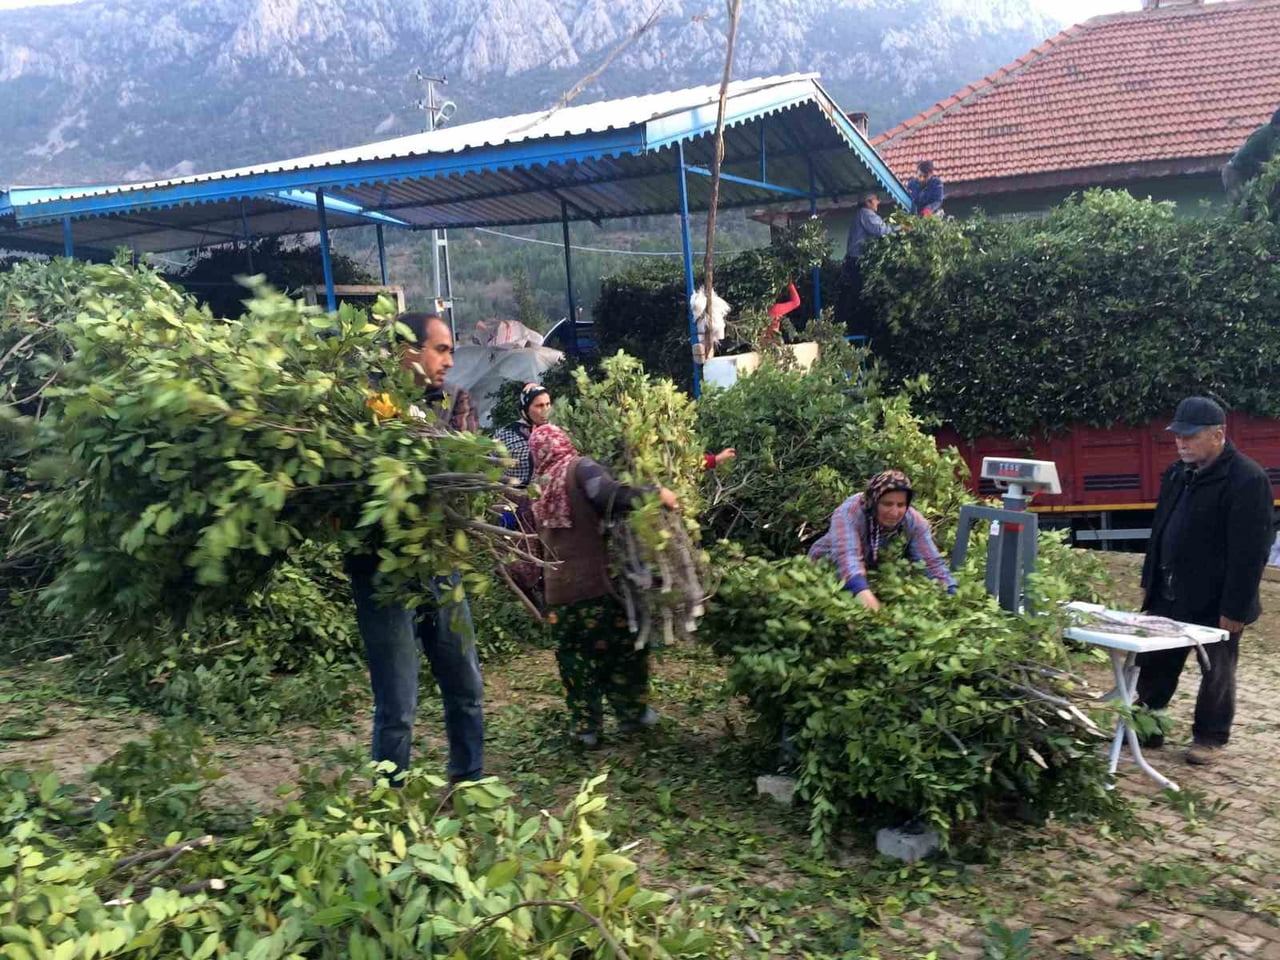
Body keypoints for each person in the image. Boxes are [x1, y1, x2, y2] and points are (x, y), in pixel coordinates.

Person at [349, 311, 485, 784]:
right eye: (441, 348)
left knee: (466, 685)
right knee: (398, 702)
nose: (449, 359)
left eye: (450, 350)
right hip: (381, 571)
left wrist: (414, 434)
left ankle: (469, 783)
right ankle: (389, 804)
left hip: (441, 563)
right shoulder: (361, 405)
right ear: (409, 350)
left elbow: (462, 469)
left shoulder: (456, 401)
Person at [1137, 396, 1273, 766]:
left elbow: (1250, 552)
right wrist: (1149, 581)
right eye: (1178, 436)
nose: (1181, 442)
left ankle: (1209, 738)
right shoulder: (1176, 474)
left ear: (1218, 435)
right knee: (1155, 664)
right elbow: (1159, 531)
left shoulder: (1246, 479)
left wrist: (1236, 608)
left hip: (1217, 600)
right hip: (1169, 590)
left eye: (1190, 436)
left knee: (1216, 672)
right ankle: (1147, 726)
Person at [529, 423, 679, 748]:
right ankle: (631, 715)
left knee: (574, 661)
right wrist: (657, 495)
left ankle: (585, 729)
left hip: (559, 595)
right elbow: (610, 496)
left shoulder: (538, 486)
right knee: (623, 650)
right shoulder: (579, 468)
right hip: (595, 589)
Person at [808, 469, 956, 611]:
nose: (894, 512)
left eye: (901, 505)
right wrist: (864, 595)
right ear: (874, 501)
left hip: (871, 576)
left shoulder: (913, 520)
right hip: (825, 572)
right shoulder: (849, 512)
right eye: (887, 504)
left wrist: (952, 595)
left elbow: (931, 563)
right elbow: (846, 558)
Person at [839, 192, 899, 335]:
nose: (878, 202)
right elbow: (881, 231)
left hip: (852, 260)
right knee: (860, 298)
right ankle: (857, 331)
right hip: (858, 261)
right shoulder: (866, 214)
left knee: (853, 297)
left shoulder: (859, 214)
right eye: (876, 200)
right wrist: (900, 228)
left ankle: (851, 328)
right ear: (868, 202)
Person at [494, 382, 553, 489]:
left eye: (548, 404)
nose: (545, 410)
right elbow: (491, 465)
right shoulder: (506, 435)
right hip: (516, 499)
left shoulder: (557, 432)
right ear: (526, 409)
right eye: (539, 406)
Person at [1222, 108, 1280, 201]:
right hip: (1235, 172)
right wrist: (1262, 166)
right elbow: (1242, 158)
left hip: (1251, 174)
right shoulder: (1262, 135)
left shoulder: (1276, 137)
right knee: (1242, 204)